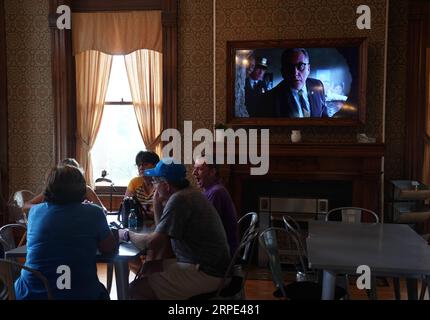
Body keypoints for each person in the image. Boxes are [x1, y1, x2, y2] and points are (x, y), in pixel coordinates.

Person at [119, 158, 231, 300]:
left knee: (136, 289)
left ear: (166, 185)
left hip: (207, 272)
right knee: (148, 268)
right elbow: (162, 235)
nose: (154, 185)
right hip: (205, 265)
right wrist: (157, 203)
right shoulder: (188, 193)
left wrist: (125, 235)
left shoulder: (179, 200)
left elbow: (154, 242)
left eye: (155, 181)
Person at [14, 165, 117, 299]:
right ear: (82, 187)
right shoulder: (94, 212)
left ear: (48, 188)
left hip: (31, 294)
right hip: (79, 294)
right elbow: (109, 249)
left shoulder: (35, 212)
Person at [192, 156, 239, 256]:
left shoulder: (216, 192)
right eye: (194, 168)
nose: (194, 173)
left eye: (199, 169)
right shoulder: (210, 190)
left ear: (212, 172)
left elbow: (205, 228)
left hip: (220, 255)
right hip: (216, 249)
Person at [24, 158, 105, 212]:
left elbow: (103, 210)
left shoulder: (86, 189)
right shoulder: (53, 190)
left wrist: (88, 208)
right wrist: (43, 208)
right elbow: (25, 206)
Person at [271, 48, 328, 118]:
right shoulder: (271, 98)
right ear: (283, 72)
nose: (295, 73)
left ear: (308, 69)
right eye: (289, 67)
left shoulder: (318, 85)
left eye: (301, 66)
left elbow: (324, 116)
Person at [125, 151, 160, 217]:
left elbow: (160, 213)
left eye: (145, 164)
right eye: (139, 165)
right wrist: (148, 210)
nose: (141, 167)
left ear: (155, 166)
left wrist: (139, 211)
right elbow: (127, 208)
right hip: (137, 224)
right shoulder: (134, 182)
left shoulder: (161, 184)